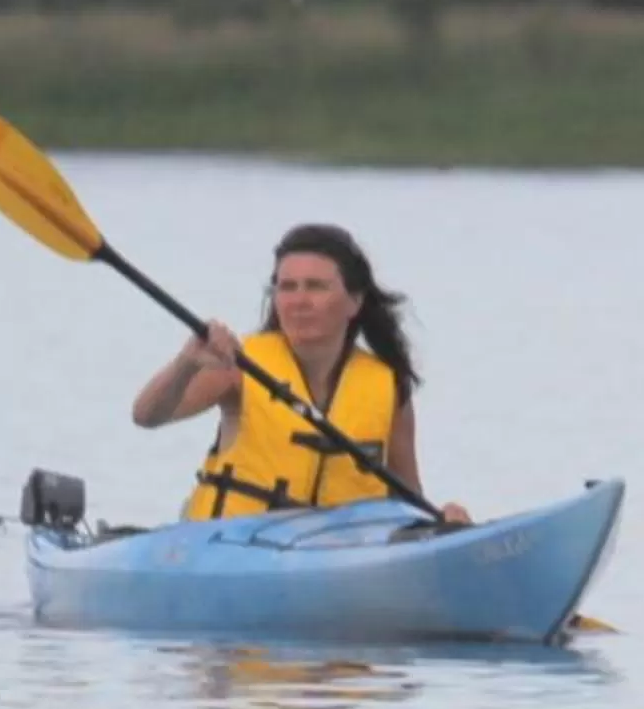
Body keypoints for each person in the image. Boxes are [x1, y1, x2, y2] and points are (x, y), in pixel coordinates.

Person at [131, 223, 470, 526]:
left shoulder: (388, 386)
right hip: (230, 549)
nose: (299, 300)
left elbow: (409, 499)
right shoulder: (237, 367)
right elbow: (147, 415)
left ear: (354, 301)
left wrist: (443, 523)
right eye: (287, 287)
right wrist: (186, 363)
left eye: (316, 287)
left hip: (340, 556)